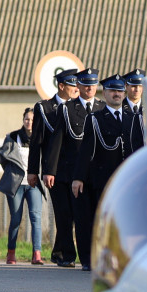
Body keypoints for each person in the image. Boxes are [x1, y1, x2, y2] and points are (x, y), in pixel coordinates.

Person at [72, 74, 144, 271]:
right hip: (102, 178)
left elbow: (138, 148)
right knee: (100, 221)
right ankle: (94, 259)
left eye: (120, 91)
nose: (117, 94)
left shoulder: (134, 119)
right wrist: (78, 177)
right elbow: (86, 151)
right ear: (105, 93)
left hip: (127, 179)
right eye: (113, 91)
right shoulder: (95, 119)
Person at [45, 68, 104, 268]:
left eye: (93, 84)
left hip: (97, 172)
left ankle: (98, 256)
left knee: (97, 217)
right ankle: (83, 258)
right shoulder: (67, 109)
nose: (90, 88)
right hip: (73, 172)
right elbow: (57, 141)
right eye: (86, 84)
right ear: (78, 86)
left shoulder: (102, 108)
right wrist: (50, 170)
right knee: (79, 218)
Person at [28, 68, 78, 263]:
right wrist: (33, 171)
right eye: (72, 85)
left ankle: (59, 250)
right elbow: (37, 142)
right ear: (62, 86)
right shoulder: (45, 108)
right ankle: (66, 254)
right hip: (55, 170)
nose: (76, 88)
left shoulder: (77, 108)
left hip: (76, 170)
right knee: (63, 213)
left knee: (74, 214)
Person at [0, 108, 44, 265]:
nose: (29, 122)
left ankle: (36, 254)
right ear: (22, 120)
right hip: (16, 185)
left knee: (36, 217)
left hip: (34, 184)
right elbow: (4, 159)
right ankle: (11, 253)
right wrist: (13, 174)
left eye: (32, 119)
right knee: (16, 219)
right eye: (26, 119)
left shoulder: (41, 137)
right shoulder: (12, 137)